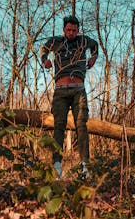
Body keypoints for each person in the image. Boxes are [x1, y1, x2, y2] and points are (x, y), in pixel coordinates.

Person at [40, 16, 98, 179]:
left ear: (78, 30)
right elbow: (43, 49)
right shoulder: (56, 41)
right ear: (64, 30)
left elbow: (95, 46)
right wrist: (45, 60)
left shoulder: (83, 41)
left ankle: (85, 167)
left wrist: (94, 57)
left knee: (81, 125)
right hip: (61, 90)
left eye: (74, 30)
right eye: (68, 30)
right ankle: (57, 167)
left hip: (78, 90)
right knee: (59, 126)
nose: (71, 33)